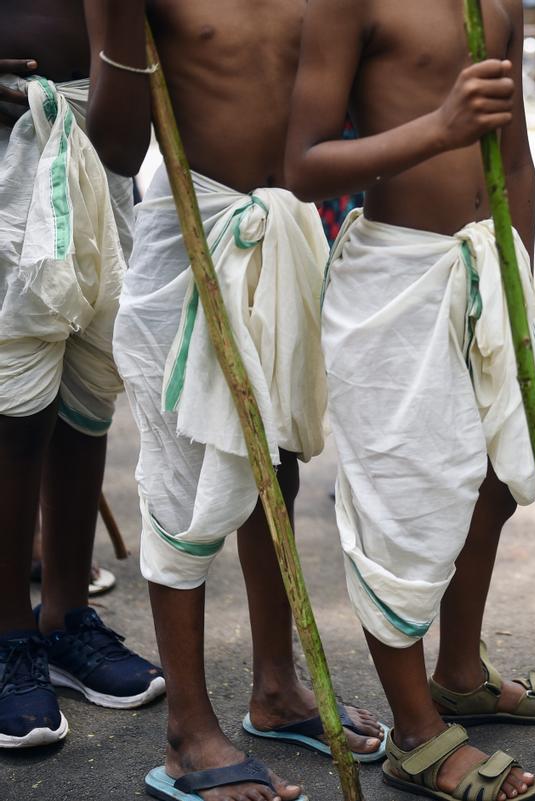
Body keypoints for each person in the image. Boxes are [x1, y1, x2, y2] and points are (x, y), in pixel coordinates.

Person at [86, 2, 386, 798]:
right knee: (182, 486)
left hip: (294, 231)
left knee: (276, 465)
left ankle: (277, 687)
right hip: (192, 236)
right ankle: (187, 731)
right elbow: (114, 147)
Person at [285, 1, 535, 798]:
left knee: (492, 479)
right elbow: (304, 163)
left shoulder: (500, 4)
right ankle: (415, 733)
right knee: (403, 507)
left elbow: (513, 154)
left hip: (491, 266)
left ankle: (457, 672)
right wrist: (440, 127)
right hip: (396, 279)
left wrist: (519, 262)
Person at [0, 1, 164, 750]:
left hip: (97, 154)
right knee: (12, 407)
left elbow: (127, 145)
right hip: (8, 152)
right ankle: (7, 637)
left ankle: (65, 615)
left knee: (87, 389)